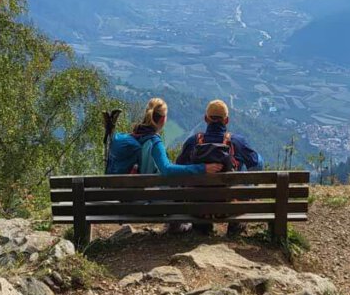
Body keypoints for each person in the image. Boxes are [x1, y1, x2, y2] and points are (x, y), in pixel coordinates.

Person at [177, 99, 264, 236]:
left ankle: (202, 227)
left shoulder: (193, 142)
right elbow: (257, 167)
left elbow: (178, 170)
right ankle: (235, 226)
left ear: (206, 119)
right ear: (226, 120)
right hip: (228, 208)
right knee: (246, 181)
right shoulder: (237, 142)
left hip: (198, 208)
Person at [107, 97, 224, 177]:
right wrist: (203, 168)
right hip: (142, 202)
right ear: (163, 119)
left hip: (122, 199)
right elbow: (167, 169)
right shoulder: (153, 142)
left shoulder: (131, 137)